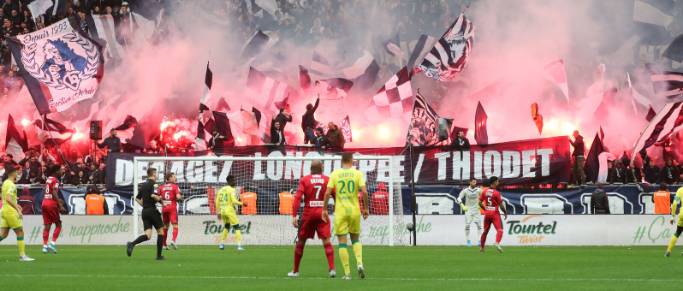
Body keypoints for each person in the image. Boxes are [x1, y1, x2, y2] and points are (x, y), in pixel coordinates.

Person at [322, 152, 369, 279]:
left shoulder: (335, 174)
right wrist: (366, 208)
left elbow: (327, 193)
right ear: (352, 161)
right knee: (355, 239)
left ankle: (347, 273)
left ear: (341, 161)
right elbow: (364, 191)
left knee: (342, 243)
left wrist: (325, 209)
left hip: (341, 211)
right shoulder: (357, 173)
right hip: (354, 211)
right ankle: (359, 262)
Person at [288, 160, 336, 278]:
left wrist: (294, 215)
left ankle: (295, 271)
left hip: (308, 214)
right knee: (326, 241)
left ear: (310, 169)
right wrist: (336, 204)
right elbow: (336, 195)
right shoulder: (328, 179)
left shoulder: (304, 180)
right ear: (321, 168)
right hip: (322, 214)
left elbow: (298, 198)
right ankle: (332, 269)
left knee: (301, 242)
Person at [127, 168, 166, 260]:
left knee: (148, 235)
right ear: (154, 174)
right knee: (160, 232)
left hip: (144, 211)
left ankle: (132, 244)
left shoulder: (144, 185)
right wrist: (162, 202)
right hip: (152, 210)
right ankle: (159, 256)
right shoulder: (155, 184)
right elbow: (154, 195)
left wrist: (145, 205)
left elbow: (137, 198)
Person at [0, 166, 34, 261]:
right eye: (17, 172)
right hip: (10, 211)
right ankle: (22, 256)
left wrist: (17, 205)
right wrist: (18, 209)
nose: (18, 174)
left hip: (4, 210)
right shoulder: (11, 184)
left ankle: (23, 256)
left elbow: (7, 199)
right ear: (14, 173)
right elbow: (8, 198)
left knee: (3, 234)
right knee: (20, 232)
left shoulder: (5, 183)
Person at [216, 175, 247, 251]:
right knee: (237, 227)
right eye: (234, 180)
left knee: (227, 226)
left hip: (223, 211)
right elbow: (234, 201)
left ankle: (222, 244)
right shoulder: (232, 190)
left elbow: (217, 202)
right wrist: (243, 204)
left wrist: (218, 212)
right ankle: (239, 246)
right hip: (230, 211)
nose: (235, 182)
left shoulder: (221, 190)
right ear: (230, 181)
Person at [479, 176, 507, 253]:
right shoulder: (497, 193)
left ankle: (481, 248)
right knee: (500, 230)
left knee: (485, 231)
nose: (498, 182)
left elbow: (479, 202)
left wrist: (485, 209)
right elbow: (501, 205)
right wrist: (505, 212)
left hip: (487, 214)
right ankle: (497, 242)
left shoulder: (484, 192)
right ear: (495, 182)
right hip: (495, 214)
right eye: (497, 181)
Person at [41, 165, 65, 254]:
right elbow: (54, 191)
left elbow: (49, 191)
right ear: (56, 171)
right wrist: (59, 205)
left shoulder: (48, 178)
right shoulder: (56, 179)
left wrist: (58, 199)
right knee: (59, 224)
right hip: (52, 204)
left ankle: (44, 246)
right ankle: (52, 243)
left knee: (47, 224)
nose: (62, 171)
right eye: (60, 170)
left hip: (44, 203)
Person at [458, 177, 483, 247]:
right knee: (467, 225)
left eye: (475, 182)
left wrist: (481, 204)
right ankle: (468, 240)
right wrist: (462, 205)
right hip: (468, 210)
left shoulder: (478, 190)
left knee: (479, 225)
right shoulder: (466, 190)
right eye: (473, 182)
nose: (475, 183)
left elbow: (484, 196)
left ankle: (479, 240)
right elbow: (459, 198)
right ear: (470, 182)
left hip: (476, 209)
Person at [160, 173, 182, 251]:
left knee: (165, 226)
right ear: (170, 178)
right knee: (175, 225)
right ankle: (173, 241)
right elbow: (178, 197)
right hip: (172, 209)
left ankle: (164, 244)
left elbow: (157, 195)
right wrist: (180, 197)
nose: (175, 179)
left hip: (164, 208)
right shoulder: (175, 187)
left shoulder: (162, 187)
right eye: (174, 177)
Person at [664, 185, 683, 257]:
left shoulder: (680, 190)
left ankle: (668, 252)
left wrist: (673, 216)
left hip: (682, 214)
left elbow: (674, 204)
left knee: (677, 232)